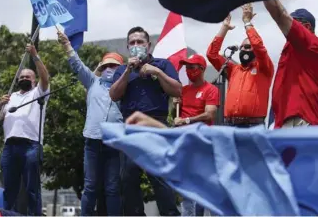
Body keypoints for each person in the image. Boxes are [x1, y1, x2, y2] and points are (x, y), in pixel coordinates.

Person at [109, 26, 181, 216]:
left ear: (148, 45)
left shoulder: (162, 64)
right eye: (132, 43)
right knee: (128, 178)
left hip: (156, 125)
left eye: (140, 42)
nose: (136, 45)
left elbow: (177, 90)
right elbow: (114, 95)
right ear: (127, 47)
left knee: (160, 178)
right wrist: (128, 72)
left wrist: (157, 72)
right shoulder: (122, 70)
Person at [57, 31, 123, 216]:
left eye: (114, 66)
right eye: (107, 65)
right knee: (90, 187)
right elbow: (77, 65)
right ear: (101, 68)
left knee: (112, 188)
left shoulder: (125, 86)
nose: (110, 68)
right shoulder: (93, 82)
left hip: (114, 144)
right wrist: (67, 45)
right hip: (92, 143)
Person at [0, 44, 50, 215]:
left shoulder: (38, 93)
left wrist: (35, 56)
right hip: (10, 146)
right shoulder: (11, 97)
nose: (24, 78)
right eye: (21, 76)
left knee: (32, 188)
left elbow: (45, 79)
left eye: (28, 76)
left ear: (33, 80)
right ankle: (7, 214)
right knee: (9, 189)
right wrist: (0, 104)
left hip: (31, 145)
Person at [206, 4, 274, 127]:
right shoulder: (233, 69)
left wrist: (247, 22)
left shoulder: (264, 67)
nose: (243, 49)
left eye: (248, 47)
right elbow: (212, 55)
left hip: (253, 126)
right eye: (242, 47)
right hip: (230, 125)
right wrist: (224, 28)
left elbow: (258, 46)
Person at [264, 0, 318, 128]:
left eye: (295, 23)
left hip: (303, 119)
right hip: (286, 118)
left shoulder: (312, 44)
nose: (287, 27)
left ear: (307, 27)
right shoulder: (291, 48)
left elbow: (280, 15)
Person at [173, 54, 219, 216]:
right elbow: (176, 119)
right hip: (185, 144)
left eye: (192, 67)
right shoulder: (183, 91)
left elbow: (209, 115)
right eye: (186, 67)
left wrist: (185, 121)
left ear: (202, 69)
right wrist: (176, 107)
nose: (188, 70)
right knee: (187, 190)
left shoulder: (211, 90)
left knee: (205, 189)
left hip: (202, 144)